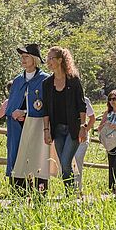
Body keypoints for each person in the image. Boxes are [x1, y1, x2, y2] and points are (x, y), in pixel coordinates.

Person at [0, 44, 50, 192]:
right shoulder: (17, 81)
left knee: (37, 158)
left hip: (36, 126)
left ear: (35, 59)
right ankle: (19, 193)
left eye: (26, 57)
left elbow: (47, 106)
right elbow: (12, 104)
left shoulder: (45, 80)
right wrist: (14, 113)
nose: (23, 60)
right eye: (22, 57)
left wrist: (25, 112)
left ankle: (39, 194)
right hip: (16, 127)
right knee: (17, 157)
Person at [43, 46, 87, 192]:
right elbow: (46, 109)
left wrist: (83, 127)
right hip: (57, 129)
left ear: (60, 60)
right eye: (47, 58)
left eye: (51, 58)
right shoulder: (47, 83)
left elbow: (82, 105)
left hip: (73, 129)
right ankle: (71, 192)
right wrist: (46, 130)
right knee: (64, 165)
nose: (48, 61)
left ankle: (71, 193)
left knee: (65, 162)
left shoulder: (73, 81)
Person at [73, 96, 97, 192]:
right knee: (68, 162)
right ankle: (70, 188)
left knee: (77, 160)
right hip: (69, 135)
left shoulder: (84, 100)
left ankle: (77, 189)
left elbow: (92, 118)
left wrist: (85, 130)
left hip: (82, 138)